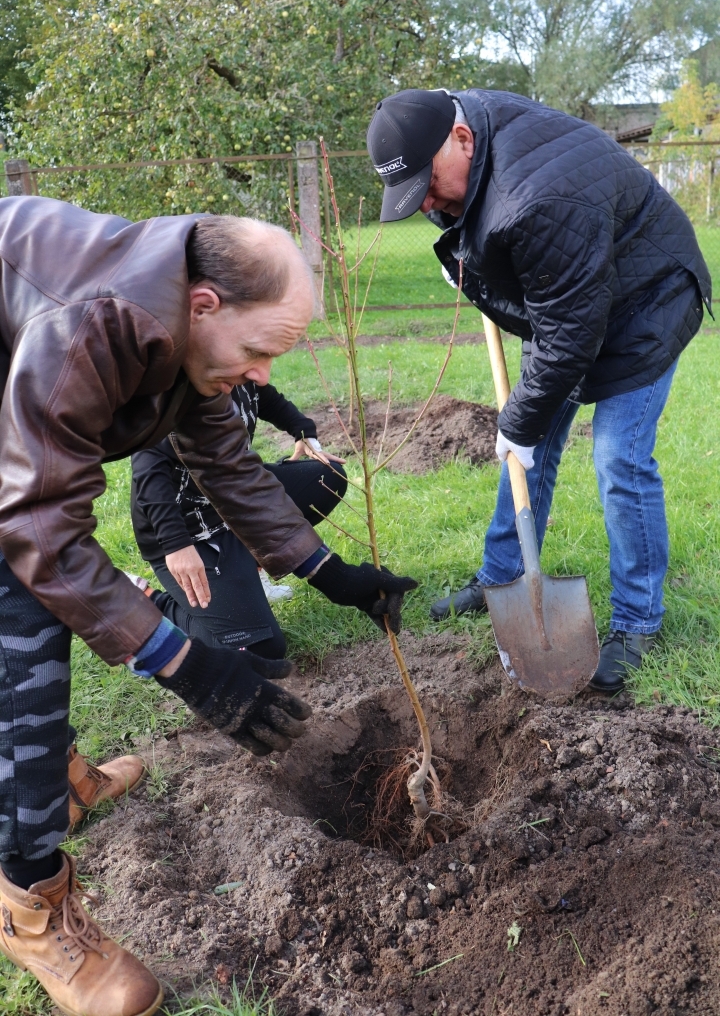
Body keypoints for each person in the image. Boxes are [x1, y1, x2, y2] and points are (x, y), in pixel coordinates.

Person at [0, 199, 416, 1016]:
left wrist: (332, 573)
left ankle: (58, 776)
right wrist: (185, 663)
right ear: (205, 305)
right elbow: (38, 527)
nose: (264, 375)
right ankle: (28, 903)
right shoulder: (98, 327)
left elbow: (231, 468)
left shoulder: (175, 324)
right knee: (25, 621)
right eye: (260, 350)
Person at [367, 88, 711, 693]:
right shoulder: (462, 132)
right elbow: (550, 302)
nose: (424, 201)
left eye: (427, 183)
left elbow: (570, 335)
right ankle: (503, 576)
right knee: (531, 441)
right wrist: (466, 257)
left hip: (647, 300)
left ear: (463, 140)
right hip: (570, 297)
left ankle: (638, 622)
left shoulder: (539, 197)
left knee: (617, 457)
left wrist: (519, 421)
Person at [130, 380, 347, 655]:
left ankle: (249, 568)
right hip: (185, 530)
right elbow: (146, 471)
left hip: (232, 501)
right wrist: (175, 545)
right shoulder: (176, 390)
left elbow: (266, 398)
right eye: (257, 354)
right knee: (260, 650)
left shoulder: (244, 372)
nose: (264, 372)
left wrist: (303, 432)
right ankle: (147, 601)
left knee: (326, 477)